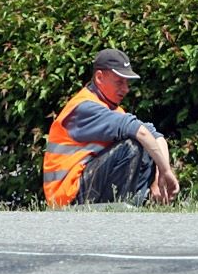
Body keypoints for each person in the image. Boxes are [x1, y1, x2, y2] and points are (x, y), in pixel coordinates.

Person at [43, 48, 179, 208]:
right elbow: (142, 132)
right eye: (119, 81)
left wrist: (160, 175)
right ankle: (121, 210)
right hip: (67, 198)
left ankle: (140, 205)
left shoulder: (111, 109)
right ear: (99, 77)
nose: (126, 89)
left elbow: (155, 135)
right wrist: (166, 171)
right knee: (132, 146)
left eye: (127, 83)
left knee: (146, 146)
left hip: (83, 188)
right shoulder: (84, 108)